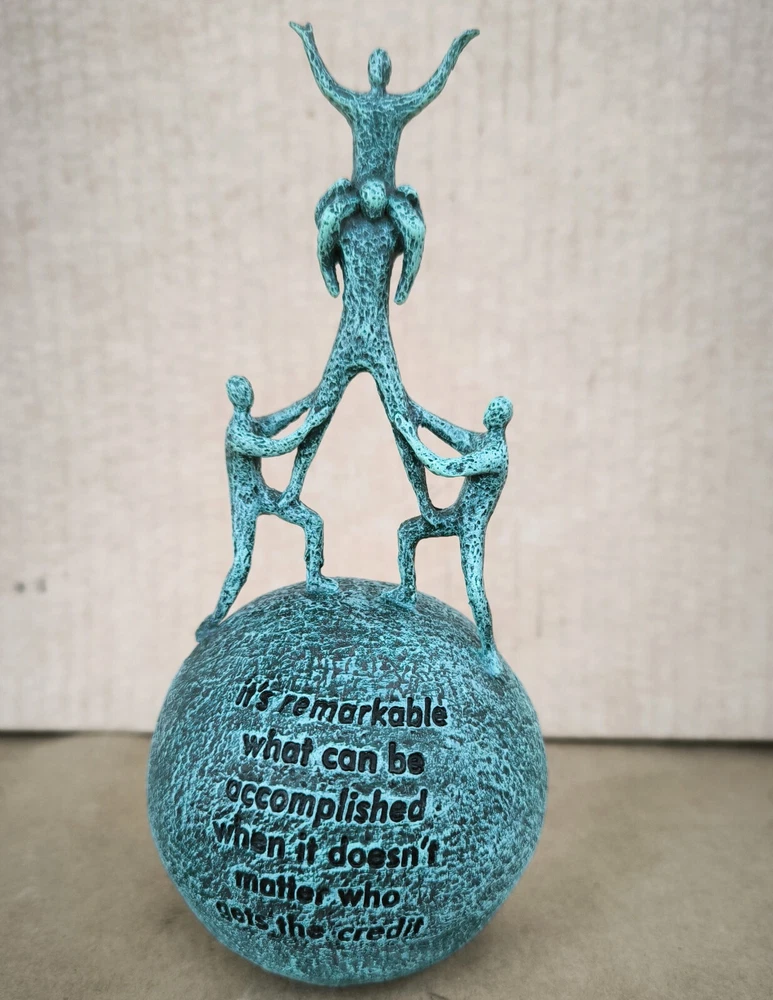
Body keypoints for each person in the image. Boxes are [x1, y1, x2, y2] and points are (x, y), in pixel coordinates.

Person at [196, 376, 335, 642]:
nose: (246, 395)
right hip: (245, 502)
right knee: (242, 563)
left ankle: (314, 577)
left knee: (312, 522)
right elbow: (275, 447)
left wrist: (309, 401)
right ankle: (215, 618)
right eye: (241, 393)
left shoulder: (251, 424)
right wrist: (311, 424)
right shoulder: (237, 433)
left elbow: (278, 420)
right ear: (233, 398)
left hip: (261, 493)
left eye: (247, 391)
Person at [384, 397, 513, 675]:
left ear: (504, 420)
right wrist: (418, 414)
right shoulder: (481, 442)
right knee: (408, 532)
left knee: (475, 588)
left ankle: (489, 649)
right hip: (456, 515)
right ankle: (406, 590)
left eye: (497, 411)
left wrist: (409, 434)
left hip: (472, 526)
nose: (491, 412)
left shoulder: (494, 454)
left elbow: (443, 466)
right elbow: (449, 432)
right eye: (491, 408)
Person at [289, 22, 479, 189]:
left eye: (381, 66)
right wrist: (309, 42)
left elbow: (431, 89)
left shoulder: (376, 106)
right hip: (365, 191)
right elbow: (327, 85)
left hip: (384, 193)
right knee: (330, 216)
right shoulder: (368, 105)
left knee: (410, 220)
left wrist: (455, 50)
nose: (379, 69)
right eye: (376, 66)